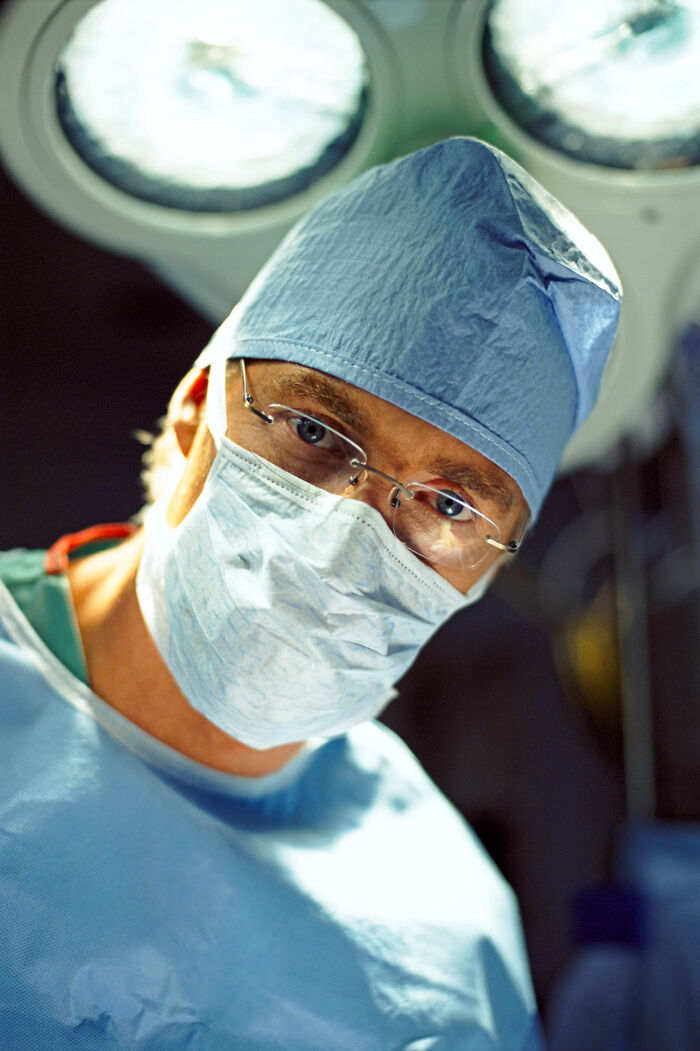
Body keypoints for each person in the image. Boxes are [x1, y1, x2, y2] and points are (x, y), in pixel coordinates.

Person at [0, 138, 620, 1049]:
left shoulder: (450, 934)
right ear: (199, 405)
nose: (344, 533)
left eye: (451, 504)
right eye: (315, 430)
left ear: (486, 569)